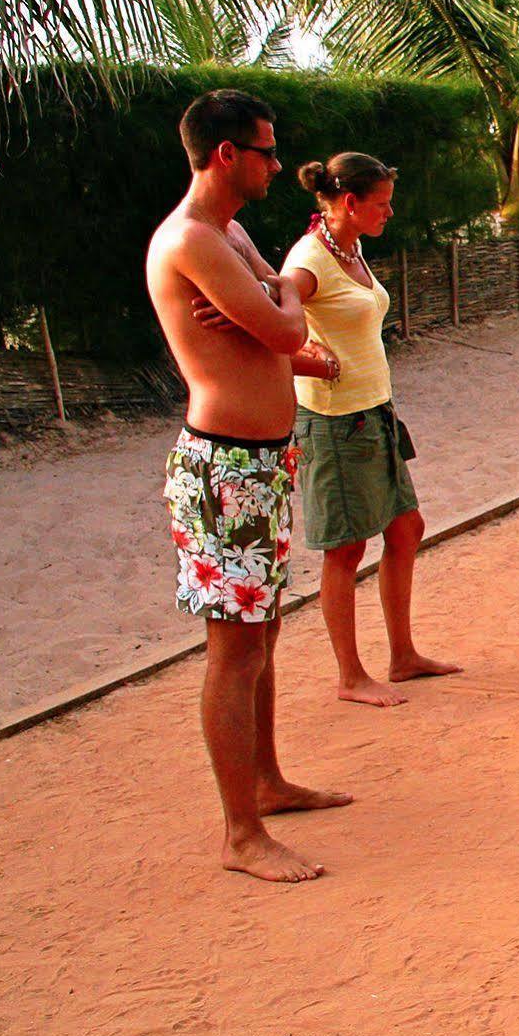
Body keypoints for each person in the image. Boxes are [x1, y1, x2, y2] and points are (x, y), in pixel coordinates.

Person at [145, 89, 350, 884]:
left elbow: (289, 301)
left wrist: (278, 298)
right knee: (233, 650)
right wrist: (281, 303)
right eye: (266, 150)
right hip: (222, 467)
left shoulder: (225, 232)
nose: (277, 163)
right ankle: (240, 833)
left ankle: (265, 784)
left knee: (259, 634)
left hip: (259, 465)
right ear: (228, 153)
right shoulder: (194, 240)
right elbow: (291, 324)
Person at [282, 153, 460, 707]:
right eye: (381, 204)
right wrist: (311, 359)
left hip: (373, 412)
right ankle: (350, 676)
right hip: (333, 424)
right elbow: (268, 329)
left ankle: (402, 656)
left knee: (406, 528)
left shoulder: (350, 248)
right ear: (350, 203)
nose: (389, 213)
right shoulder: (308, 261)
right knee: (345, 548)